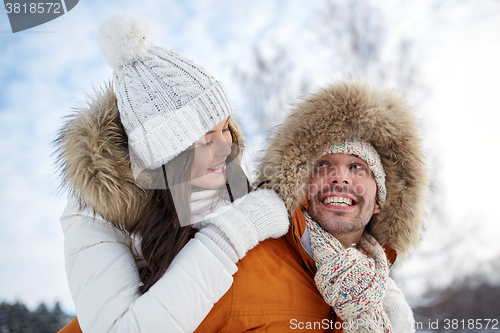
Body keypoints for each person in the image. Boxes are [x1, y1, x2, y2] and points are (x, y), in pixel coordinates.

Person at [55, 13, 289, 333]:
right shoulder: (92, 216)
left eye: (225, 128)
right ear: (168, 155)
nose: (225, 146)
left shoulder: (215, 176)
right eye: (206, 137)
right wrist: (232, 233)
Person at [194, 80, 427, 332]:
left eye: (357, 167)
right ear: (302, 185)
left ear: (380, 201)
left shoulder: (389, 307)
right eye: (323, 165)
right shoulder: (239, 265)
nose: (340, 177)